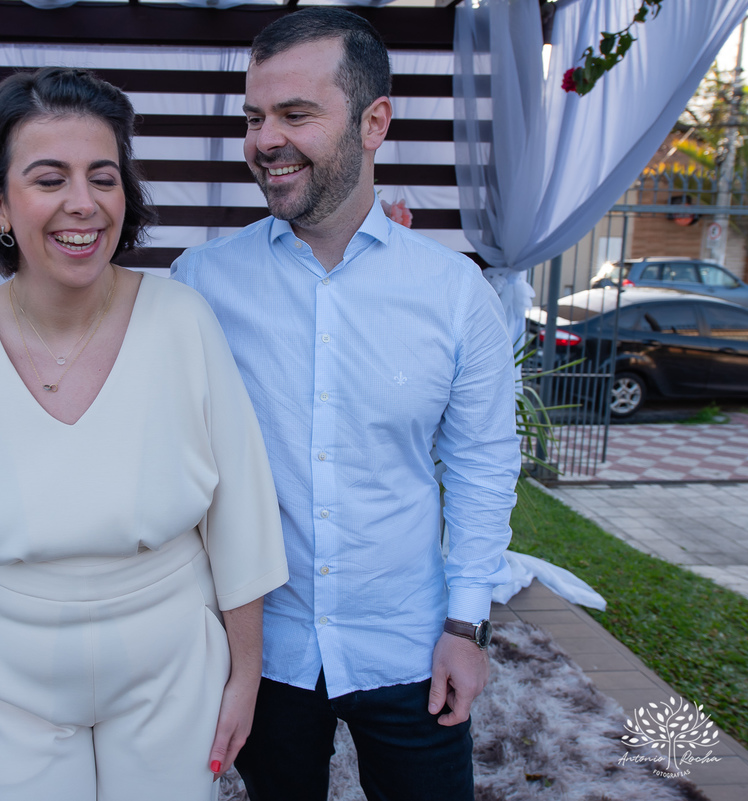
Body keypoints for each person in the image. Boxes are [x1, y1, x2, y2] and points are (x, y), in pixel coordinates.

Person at [0, 67, 288, 801]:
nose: (83, 203)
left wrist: (245, 674)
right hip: (7, 671)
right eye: (50, 179)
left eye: (103, 178)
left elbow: (239, 517)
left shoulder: (182, 322)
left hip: (173, 663)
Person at [169, 9, 519, 801]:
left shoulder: (454, 293)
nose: (265, 140)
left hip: (409, 644)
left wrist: (467, 625)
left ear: (374, 122)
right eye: (254, 117)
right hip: (263, 647)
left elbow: (481, 463)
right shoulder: (201, 284)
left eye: (295, 114)